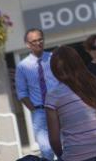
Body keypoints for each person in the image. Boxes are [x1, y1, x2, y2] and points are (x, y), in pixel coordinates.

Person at [45, 46, 96, 161]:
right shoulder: (95, 85)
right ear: (78, 63)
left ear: (55, 69)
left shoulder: (53, 96)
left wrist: (61, 156)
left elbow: (54, 139)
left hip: (76, 156)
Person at [15, 28, 59, 160]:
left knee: (65, 146)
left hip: (58, 109)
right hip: (40, 112)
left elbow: (63, 82)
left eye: (40, 39)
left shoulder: (53, 59)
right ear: (28, 45)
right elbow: (22, 93)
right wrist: (34, 110)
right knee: (46, 151)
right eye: (34, 41)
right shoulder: (22, 66)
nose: (38, 43)